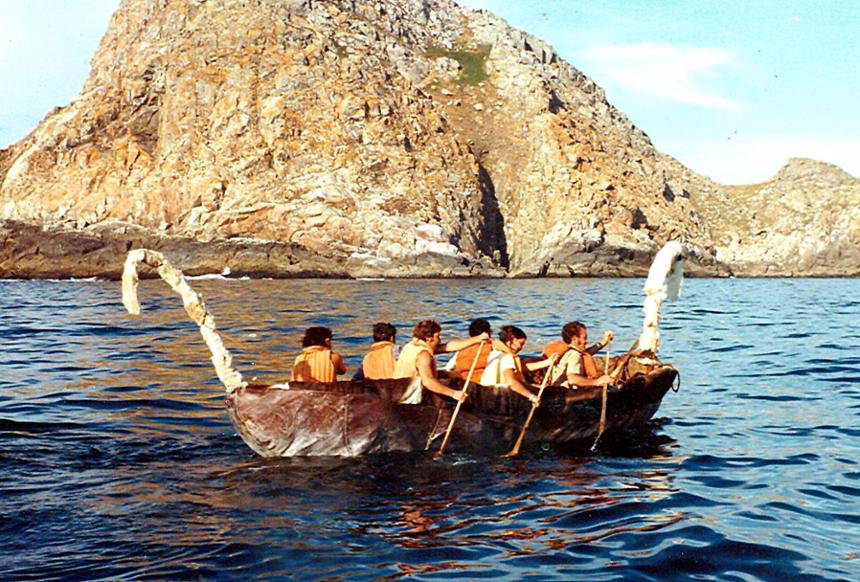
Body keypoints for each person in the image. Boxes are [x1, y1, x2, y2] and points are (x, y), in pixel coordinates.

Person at [393, 319, 488, 404]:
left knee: (451, 375)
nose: (440, 340)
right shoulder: (423, 355)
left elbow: (449, 346)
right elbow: (428, 382)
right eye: (438, 336)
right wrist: (454, 394)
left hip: (398, 389)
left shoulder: (412, 345)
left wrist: (478, 339)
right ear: (428, 338)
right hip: (408, 396)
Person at [478, 325, 541, 404]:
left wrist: (548, 362)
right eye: (521, 343)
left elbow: (521, 367)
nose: (521, 348)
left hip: (485, 393)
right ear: (512, 339)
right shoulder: (507, 357)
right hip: (496, 396)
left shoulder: (495, 353)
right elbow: (511, 382)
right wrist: (532, 396)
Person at [546, 321, 612, 388]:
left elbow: (587, 353)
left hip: (556, 389)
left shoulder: (569, 351)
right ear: (575, 339)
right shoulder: (574, 355)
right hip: (565, 392)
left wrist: (604, 341)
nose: (587, 341)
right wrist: (597, 382)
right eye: (584, 338)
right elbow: (572, 379)